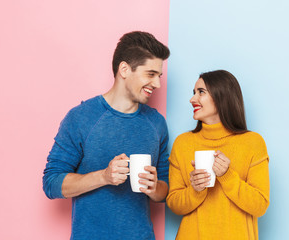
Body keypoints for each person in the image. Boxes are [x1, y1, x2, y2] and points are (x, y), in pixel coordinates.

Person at [43, 31, 170, 240]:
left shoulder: (156, 123)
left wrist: (154, 187)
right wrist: (104, 176)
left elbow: (165, 191)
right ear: (124, 69)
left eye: (159, 76)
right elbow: (52, 183)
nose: (157, 84)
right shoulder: (81, 118)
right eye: (150, 74)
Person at [166, 70, 270, 240]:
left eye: (201, 92)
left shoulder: (252, 142)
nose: (192, 99)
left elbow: (260, 206)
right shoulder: (183, 143)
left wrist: (228, 176)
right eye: (193, 93)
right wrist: (195, 190)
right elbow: (174, 204)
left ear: (222, 96)